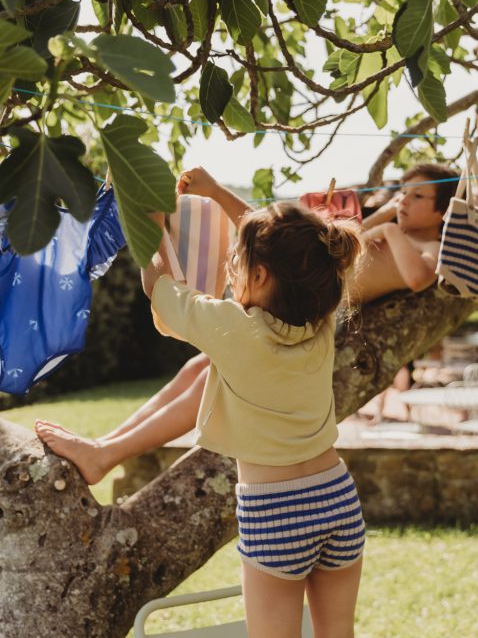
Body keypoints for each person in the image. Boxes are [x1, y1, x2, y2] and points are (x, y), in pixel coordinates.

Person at [154, 196, 374, 638]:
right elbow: (299, 249)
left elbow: (159, 291)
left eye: (238, 261)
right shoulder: (322, 320)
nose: (229, 269)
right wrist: (227, 200)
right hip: (335, 495)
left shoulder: (231, 327)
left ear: (257, 275)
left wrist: (150, 226)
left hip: (275, 510)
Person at [34, 163, 456, 483]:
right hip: (297, 316)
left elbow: (419, 277)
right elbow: (274, 242)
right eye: (403, 192)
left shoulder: (426, 245)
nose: (404, 200)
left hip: (310, 330)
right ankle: (105, 445)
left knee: (211, 379)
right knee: (198, 368)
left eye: (419, 196)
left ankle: (106, 454)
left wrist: (154, 228)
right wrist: (218, 193)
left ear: (442, 211)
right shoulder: (325, 273)